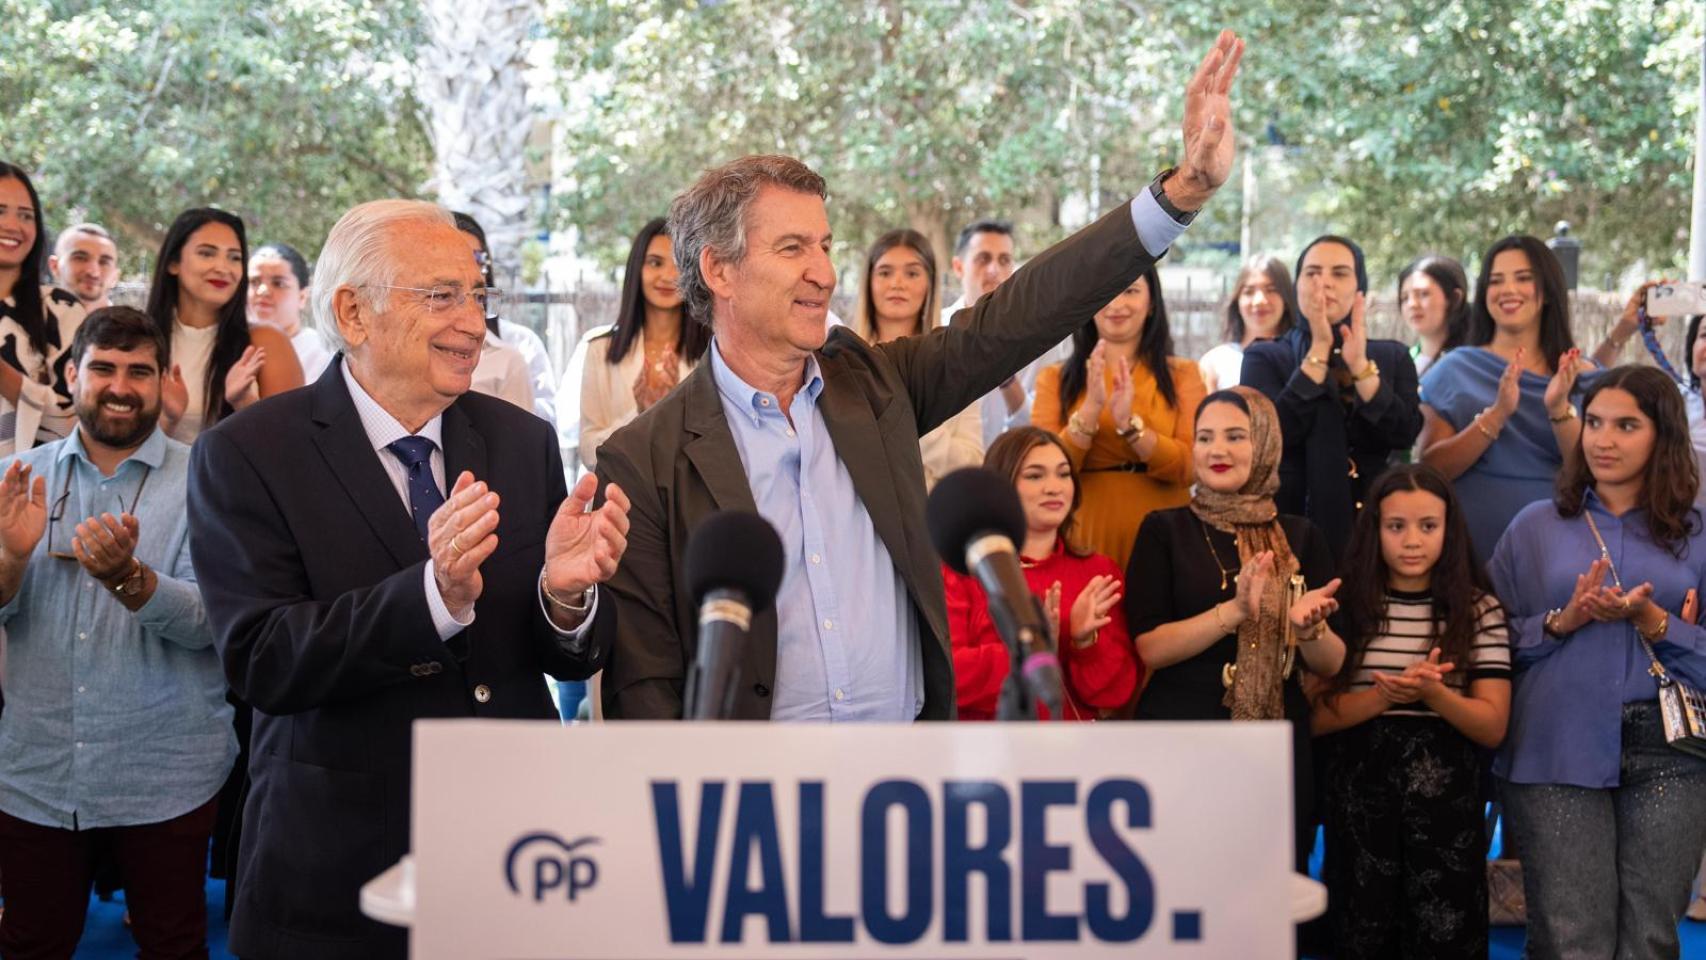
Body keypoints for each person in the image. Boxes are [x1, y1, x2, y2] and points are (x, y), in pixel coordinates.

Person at [594, 30, 1244, 721]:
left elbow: (1020, 314)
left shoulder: (876, 387)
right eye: (792, 248)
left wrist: (1181, 193)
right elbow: (646, 683)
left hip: (906, 773)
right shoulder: (643, 460)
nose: (825, 272)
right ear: (719, 270)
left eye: (825, 246)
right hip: (760, 786)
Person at [187, 199, 629, 959]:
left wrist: (565, 596)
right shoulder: (249, 453)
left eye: (477, 295)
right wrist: (434, 598)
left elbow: (562, 657)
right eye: (442, 296)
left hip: (512, 860)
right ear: (353, 313)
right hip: (341, 871)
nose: (474, 323)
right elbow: (263, 659)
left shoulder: (521, 441)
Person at [0, 306, 234, 957]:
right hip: (38, 772)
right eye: (103, 368)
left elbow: (213, 625)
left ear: (164, 380)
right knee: (29, 945)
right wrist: (11, 559)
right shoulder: (19, 478)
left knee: (172, 944)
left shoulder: (209, 479)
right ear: (72, 375)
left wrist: (131, 580)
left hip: (166, 771)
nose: (121, 387)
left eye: (139, 371)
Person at [1488, 364, 1706, 960]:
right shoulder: (1535, 526)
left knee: (1650, 940)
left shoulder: (1697, 534)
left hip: (1674, 751)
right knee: (1570, 941)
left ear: (1664, 435)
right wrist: (1560, 622)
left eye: (1626, 425)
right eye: (1594, 422)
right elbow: (1482, 640)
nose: (1603, 440)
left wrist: (1658, 623)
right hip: (1555, 743)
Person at [1125, 386, 1346, 871]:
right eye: (1204, 437)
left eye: (1235, 436)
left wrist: (1309, 630)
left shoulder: (1303, 536)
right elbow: (1150, 648)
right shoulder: (1164, 529)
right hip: (1182, 736)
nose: (1217, 450)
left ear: (1265, 443)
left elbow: (1332, 664)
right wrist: (1235, 611)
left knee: (1268, 890)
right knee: (1180, 881)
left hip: (1275, 746)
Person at [1310, 463, 1511, 960]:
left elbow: (1492, 726)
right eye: (1396, 526)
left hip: (1447, 809)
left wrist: (1435, 696)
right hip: (1359, 802)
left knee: (1445, 935)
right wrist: (1383, 698)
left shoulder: (1479, 609)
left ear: (1450, 530)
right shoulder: (1345, 606)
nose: (1412, 541)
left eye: (1428, 525)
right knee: (1362, 932)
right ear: (1374, 529)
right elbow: (1314, 717)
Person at [1242, 235, 1422, 558]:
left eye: (1339, 273)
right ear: (1296, 287)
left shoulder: (1392, 357)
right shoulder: (1265, 357)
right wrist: (1319, 350)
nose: (1323, 282)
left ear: (1359, 287)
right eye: (1312, 273)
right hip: (1290, 530)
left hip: (1378, 529)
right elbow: (1268, 438)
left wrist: (1360, 367)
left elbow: (1403, 432)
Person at [943, 427, 1139, 720]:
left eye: (1063, 474)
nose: (1054, 487)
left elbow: (1116, 694)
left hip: (1071, 744)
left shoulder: (1098, 572)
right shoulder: (963, 570)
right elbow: (947, 673)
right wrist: (1036, 648)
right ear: (1000, 486)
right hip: (988, 742)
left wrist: (1085, 643)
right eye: (1035, 476)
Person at [1417, 236, 1587, 562]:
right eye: (1496, 281)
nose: (1508, 289)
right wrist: (1497, 414)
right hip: (1469, 554)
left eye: (1523, 278)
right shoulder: (1455, 368)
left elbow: (1592, 474)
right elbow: (1430, 468)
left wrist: (1558, 409)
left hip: (1558, 552)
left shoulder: (1583, 375)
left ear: (1548, 290)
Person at [1031, 264, 1206, 571]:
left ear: (1152, 303)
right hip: (1084, 533)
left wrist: (1131, 427)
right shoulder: (1053, 379)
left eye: (1130, 291)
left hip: (1167, 532)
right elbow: (1044, 468)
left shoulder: (1184, 374)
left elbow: (1191, 467)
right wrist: (1090, 411)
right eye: (1107, 292)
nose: (1116, 303)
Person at [562, 217, 708, 472]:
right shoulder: (600, 350)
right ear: (636, 269)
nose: (668, 276)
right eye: (655, 263)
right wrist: (642, 414)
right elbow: (589, 450)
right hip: (621, 490)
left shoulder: (714, 351)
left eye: (678, 264)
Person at [145, 208, 303, 443]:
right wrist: (168, 420)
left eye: (234, 257)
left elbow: (291, 444)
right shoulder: (137, 338)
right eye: (207, 253)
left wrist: (245, 404)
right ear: (173, 263)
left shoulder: (265, 342)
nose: (222, 267)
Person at [853, 227, 984, 490]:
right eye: (885, 272)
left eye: (912, 273)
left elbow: (973, 465)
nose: (897, 283)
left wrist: (916, 425)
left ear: (930, 284)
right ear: (868, 282)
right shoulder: (842, 362)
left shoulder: (954, 364)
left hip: (934, 511)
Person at [940, 219, 1064, 447]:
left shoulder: (1042, 339)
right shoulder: (935, 330)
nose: (994, 270)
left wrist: (1007, 379)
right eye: (983, 259)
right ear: (958, 267)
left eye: (1004, 260)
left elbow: (1043, 427)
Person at [0, 162, 87, 457]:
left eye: (26, 215)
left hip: (28, 479)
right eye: (0, 211)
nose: (13, 225)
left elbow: (72, 420)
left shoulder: (60, 309)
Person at [451, 211, 556, 424]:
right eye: (455, 257)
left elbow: (537, 427)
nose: (469, 269)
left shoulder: (516, 349)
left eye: (477, 259)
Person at [1199, 253, 1298, 392]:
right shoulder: (1214, 363)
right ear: (1237, 301)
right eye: (1249, 292)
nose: (1259, 301)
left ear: (1286, 300)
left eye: (1271, 290)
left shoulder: (1303, 358)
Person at [248, 241, 333, 381]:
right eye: (254, 282)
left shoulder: (323, 354)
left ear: (302, 297)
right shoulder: (228, 345)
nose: (262, 291)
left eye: (278, 283)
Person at [1398, 254, 1470, 378]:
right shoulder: (1403, 361)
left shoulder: (1470, 363)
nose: (1412, 304)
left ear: (1455, 298)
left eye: (1423, 294)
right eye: (1405, 298)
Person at [48, 222, 120, 312]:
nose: (93, 272)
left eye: (104, 262)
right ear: (54, 266)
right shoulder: (33, 318)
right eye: (80, 258)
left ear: (115, 277)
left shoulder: (131, 321)